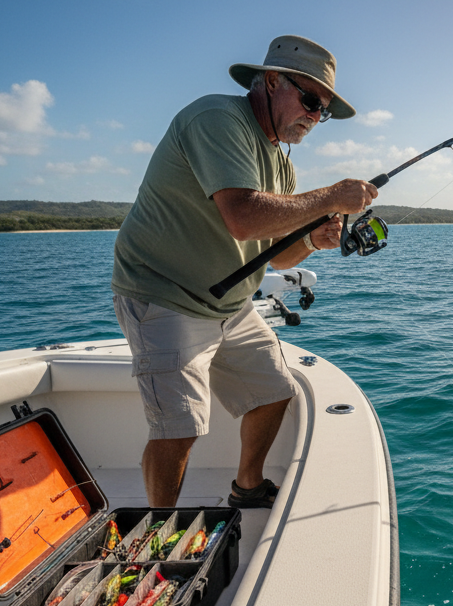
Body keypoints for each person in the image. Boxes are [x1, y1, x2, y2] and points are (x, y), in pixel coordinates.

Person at [111, 35, 377, 509]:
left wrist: (312, 241)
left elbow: (277, 258)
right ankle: (159, 527)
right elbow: (244, 217)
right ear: (272, 82)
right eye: (311, 101)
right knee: (179, 425)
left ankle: (247, 487)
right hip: (164, 295)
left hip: (230, 305)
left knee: (274, 390)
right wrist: (332, 196)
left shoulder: (283, 168)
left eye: (323, 111)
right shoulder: (216, 118)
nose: (315, 116)